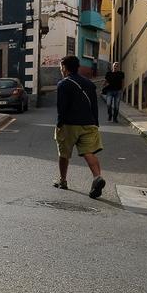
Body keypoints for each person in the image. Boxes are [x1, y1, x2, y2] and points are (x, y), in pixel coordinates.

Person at [53, 56, 106, 199]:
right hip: (89, 123)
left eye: (61, 67)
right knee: (89, 152)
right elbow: (94, 105)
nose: (60, 69)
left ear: (65, 67)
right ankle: (97, 177)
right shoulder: (89, 84)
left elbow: (61, 107)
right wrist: (95, 122)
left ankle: (63, 180)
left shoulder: (63, 84)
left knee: (64, 153)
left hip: (69, 124)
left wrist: (59, 123)